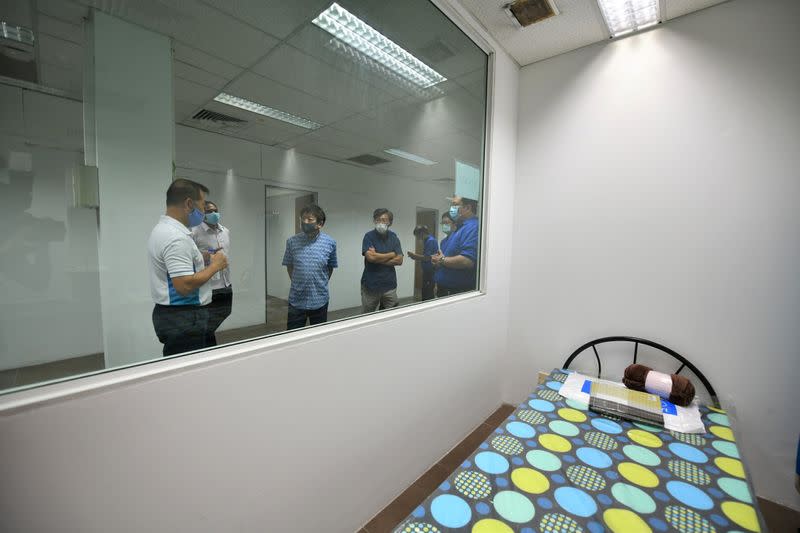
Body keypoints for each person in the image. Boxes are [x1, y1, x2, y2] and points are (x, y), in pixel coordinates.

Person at [148, 179, 228, 356]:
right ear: (189, 204)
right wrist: (216, 265)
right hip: (183, 317)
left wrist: (202, 257)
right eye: (202, 205)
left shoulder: (165, 230)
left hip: (178, 316)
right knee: (188, 373)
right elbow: (183, 285)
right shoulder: (176, 238)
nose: (203, 211)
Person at [282, 204, 338, 330]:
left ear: (320, 224)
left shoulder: (330, 243)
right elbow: (289, 266)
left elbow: (330, 267)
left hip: (320, 299)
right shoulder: (292, 241)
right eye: (303, 218)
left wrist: (319, 283)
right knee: (292, 336)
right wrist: (299, 282)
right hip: (297, 299)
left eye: (310, 219)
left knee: (318, 337)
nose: (305, 222)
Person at [191, 200, 232, 347]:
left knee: (225, 311)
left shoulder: (225, 231)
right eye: (208, 211)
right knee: (206, 324)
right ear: (203, 214)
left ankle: (206, 343)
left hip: (226, 283)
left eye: (215, 210)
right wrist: (206, 255)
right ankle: (207, 348)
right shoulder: (194, 232)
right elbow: (190, 257)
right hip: (208, 286)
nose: (213, 213)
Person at [432, 196, 479, 297]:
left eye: (454, 205)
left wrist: (442, 260)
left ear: (468, 208)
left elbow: (467, 261)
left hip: (456, 292)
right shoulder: (460, 228)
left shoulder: (473, 227)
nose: (451, 209)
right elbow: (448, 258)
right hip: (445, 289)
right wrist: (439, 261)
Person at [361, 208, 403, 312]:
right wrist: (392, 254)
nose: (380, 222)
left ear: (390, 222)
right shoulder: (368, 236)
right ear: (374, 221)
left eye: (384, 220)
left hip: (389, 285)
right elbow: (371, 258)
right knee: (367, 316)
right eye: (378, 219)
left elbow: (399, 260)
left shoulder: (394, 237)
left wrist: (377, 257)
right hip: (371, 285)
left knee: (391, 315)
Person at [407, 225, 438, 301]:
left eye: (417, 236)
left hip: (430, 272)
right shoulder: (427, 240)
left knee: (428, 294)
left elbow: (427, 258)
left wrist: (414, 256)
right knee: (424, 292)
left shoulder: (430, 241)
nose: (417, 238)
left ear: (421, 233)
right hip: (427, 271)